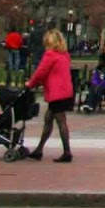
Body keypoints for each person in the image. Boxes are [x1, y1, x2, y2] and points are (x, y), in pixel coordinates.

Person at [24, 28, 75, 162]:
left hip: (56, 93)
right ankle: (39, 149)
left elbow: (41, 71)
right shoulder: (64, 55)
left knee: (60, 121)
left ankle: (67, 152)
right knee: (48, 119)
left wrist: (30, 83)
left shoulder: (50, 55)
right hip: (65, 91)